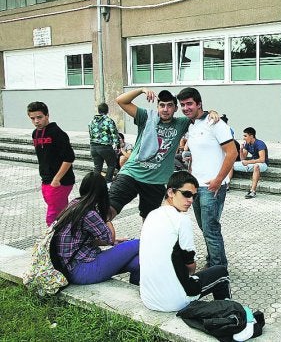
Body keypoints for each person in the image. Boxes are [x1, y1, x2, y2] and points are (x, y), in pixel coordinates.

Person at [139, 171, 231, 312]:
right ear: (171, 192)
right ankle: (228, 313)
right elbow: (190, 267)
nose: (191, 200)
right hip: (174, 301)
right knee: (221, 272)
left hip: (148, 298)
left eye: (194, 196)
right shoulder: (181, 220)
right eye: (186, 194)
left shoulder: (151, 215)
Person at [107, 88, 190, 221]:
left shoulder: (181, 123)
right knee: (108, 210)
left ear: (175, 108)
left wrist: (212, 113)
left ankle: (147, 242)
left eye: (169, 105)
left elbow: (199, 115)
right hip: (132, 173)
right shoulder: (146, 117)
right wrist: (141, 90)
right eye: (162, 105)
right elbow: (121, 101)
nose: (165, 109)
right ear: (157, 107)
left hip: (156, 181)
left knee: (150, 221)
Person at [177, 87, 237, 268]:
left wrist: (219, 180)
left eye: (189, 104)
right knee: (205, 227)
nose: (186, 108)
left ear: (199, 104)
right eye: (182, 105)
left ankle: (219, 268)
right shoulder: (190, 125)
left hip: (213, 186)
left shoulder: (215, 123)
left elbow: (232, 153)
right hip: (196, 186)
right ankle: (213, 259)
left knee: (211, 229)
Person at [52, 172, 140, 285]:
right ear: (103, 191)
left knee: (138, 262)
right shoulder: (89, 213)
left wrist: (117, 242)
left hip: (71, 268)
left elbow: (85, 241)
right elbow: (110, 238)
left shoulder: (75, 204)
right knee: (140, 243)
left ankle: (136, 291)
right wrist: (107, 217)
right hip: (82, 270)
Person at [27, 101, 76, 226]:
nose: (36, 121)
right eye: (32, 118)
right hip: (46, 179)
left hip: (60, 181)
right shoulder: (35, 133)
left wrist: (56, 179)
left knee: (52, 216)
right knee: (61, 212)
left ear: (47, 115)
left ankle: (51, 241)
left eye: (39, 117)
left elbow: (69, 158)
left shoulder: (57, 133)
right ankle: (67, 237)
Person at [233, 127, 269, 199]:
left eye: (245, 136)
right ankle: (226, 186)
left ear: (251, 136)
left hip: (263, 165)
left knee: (256, 166)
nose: (243, 138)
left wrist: (248, 162)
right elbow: (243, 159)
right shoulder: (247, 144)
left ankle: (252, 191)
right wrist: (241, 149)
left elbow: (262, 159)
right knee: (230, 164)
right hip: (252, 163)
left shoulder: (260, 144)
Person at [88, 102, 120, 183]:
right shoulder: (108, 121)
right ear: (107, 111)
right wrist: (118, 145)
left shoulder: (92, 121)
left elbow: (91, 133)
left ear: (98, 111)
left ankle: (95, 184)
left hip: (93, 147)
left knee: (97, 167)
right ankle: (107, 182)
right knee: (111, 164)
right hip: (105, 147)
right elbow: (114, 134)